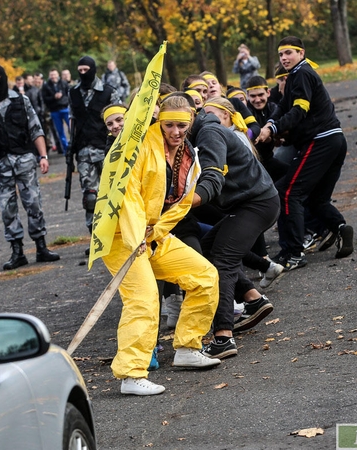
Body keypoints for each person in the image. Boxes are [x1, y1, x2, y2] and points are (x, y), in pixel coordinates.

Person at [94, 95, 221, 396]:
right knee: (144, 298)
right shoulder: (138, 146)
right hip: (122, 236)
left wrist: (154, 232)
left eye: (181, 125)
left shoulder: (190, 154)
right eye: (169, 125)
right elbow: (128, 195)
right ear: (159, 121)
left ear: (191, 122)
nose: (175, 131)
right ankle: (131, 374)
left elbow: (183, 202)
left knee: (205, 275)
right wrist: (137, 235)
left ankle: (188, 347)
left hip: (152, 235)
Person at [189, 102, 282, 359]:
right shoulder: (198, 132)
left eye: (179, 123)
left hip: (257, 203)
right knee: (208, 248)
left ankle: (223, 337)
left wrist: (188, 199)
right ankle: (254, 299)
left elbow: (212, 174)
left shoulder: (208, 133)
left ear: (190, 116)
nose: (174, 129)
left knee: (223, 261)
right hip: (246, 203)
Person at [256, 36, 354, 272]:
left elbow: (300, 110)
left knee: (288, 192)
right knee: (316, 198)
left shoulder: (301, 73)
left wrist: (273, 129)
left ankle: (293, 253)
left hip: (321, 141)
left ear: (301, 53)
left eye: (288, 53)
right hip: (335, 139)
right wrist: (272, 125)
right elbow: (283, 108)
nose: (284, 58)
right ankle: (340, 228)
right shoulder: (296, 76)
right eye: (281, 55)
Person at [0, 64, 60, 270]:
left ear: (5, 78)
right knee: (7, 209)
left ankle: (41, 247)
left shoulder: (22, 100)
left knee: (34, 203)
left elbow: (35, 129)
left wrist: (43, 155)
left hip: (24, 161)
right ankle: (17, 251)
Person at [68, 56, 120, 238]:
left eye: (86, 70)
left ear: (93, 69)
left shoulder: (108, 92)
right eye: (80, 70)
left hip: (107, 150)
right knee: (90, 197)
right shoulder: (73, 93)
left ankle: (116, 233)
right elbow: (72, 120)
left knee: (113, 193)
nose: (83, 74)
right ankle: (96, 236)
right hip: (84, 152)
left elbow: (120, 115)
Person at [42, 69, 70, 155]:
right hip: (54, 111)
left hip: (65, 108)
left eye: (54, 75)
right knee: (60, 131)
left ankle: (75, 146)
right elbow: (45, 99)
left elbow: (69, 95)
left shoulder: (63, 83)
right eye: (51, 75)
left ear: (58, 75)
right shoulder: (46, 86)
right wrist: (54, 97)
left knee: (72, 128)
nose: (53, 77)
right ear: (49, 76)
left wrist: (62, 99)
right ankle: (66, 149)